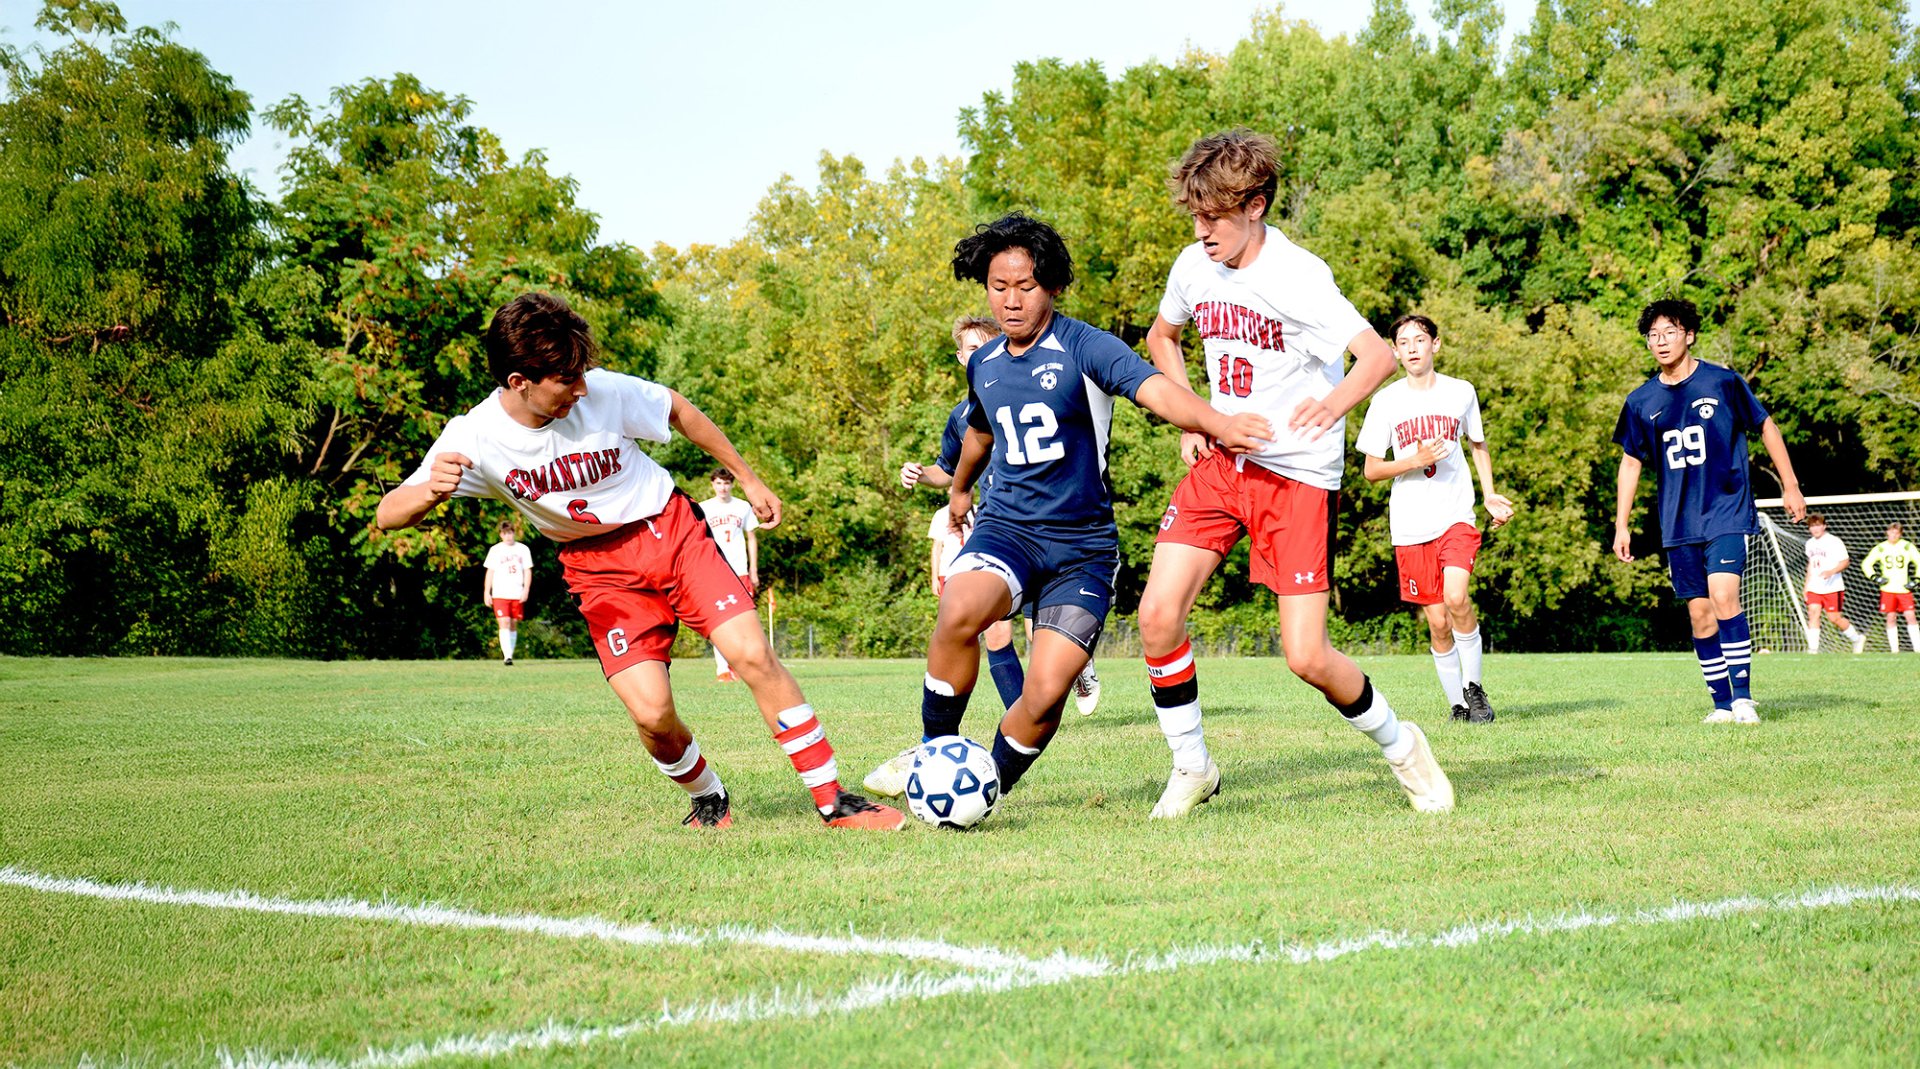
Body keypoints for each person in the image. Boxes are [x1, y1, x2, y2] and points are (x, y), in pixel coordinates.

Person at [377, 292, 903, 830]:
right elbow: (388, 513)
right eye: (566, 379)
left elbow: (677, 409)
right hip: (596, 569)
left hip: (670, 531)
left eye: (583, 372)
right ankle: (708, 794)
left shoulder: (601, 390)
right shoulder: (475, 437)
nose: (581, 387)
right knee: (652, 714)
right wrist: (426, 495)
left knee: (752, 655)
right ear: (519, 381)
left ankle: (833, 799)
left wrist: (747, 477)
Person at [871, 212, 1272, 805]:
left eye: (1025, 287)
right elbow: (980, 431)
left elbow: (1156, 388)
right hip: (1007, 529)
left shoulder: (1084, 345)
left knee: (1046, 692)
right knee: (959, 609)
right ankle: (932, 752)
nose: (1010, 301)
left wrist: (1217, 422)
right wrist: (959, 490)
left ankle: (981, 790)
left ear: (1052, 285)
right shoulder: (984, 362)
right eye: (998, 287)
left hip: (1082, 550)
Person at [1135, 129, 1454, 820]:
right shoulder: (1193, 266)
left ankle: (1404, 747)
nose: (1200, 230)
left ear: (1254, 205)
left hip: (1295, 476)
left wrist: (1332, 403)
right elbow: (1163, 337)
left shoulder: (1300, 276)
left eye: (1212, 215)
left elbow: (1373, 356)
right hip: (1225, 462)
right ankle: (1193, 766)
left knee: (1306, 656)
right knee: (1157, 616)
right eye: (1193, 215)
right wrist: (1195, 417)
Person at [1612, 297, 1806, 724]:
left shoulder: (1722, 382)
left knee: (1723, 596)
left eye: (1670, 332)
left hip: (1726, 509)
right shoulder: (1641, 401)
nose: (1661, 342)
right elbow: (1631, 462)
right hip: (1678, 521)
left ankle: (1743, 699)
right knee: (1700, 615)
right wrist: (1621, 524)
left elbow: (1766, 425)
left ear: (1689, 335)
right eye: (1653, 335)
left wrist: (1790, 485)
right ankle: (1720, 704)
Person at [1357, 314, 1516, 723]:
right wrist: (1414, 460)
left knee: (1457, 597)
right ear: (1394, 351)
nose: (1412, 347)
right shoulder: (1386, 402)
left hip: (1456, 514)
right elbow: (1372, 470)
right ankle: (1458, 706)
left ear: (1435, 345)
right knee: (1437, 621)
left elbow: (1478, 445)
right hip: (1410, 524)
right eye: (1403, 342)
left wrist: (1490, 493)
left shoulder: (1460, 392)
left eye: (1420, 340)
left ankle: (1475, 688)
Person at [895, 315, 1032, 714]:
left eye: (985, 345)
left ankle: (1076, 657)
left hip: (1040, 517)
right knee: (994, 630)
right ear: (961, 358)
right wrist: (921, 473)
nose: (979, 353)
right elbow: (950, 472)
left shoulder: (1030, 392)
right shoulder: (960, 416)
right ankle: (1020, 715)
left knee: (1044, 625)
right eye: (970, 348)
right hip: (994, 523)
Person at [697, 468, 759, 682]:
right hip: (716, 569)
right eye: (718, 483)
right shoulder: (704, 508)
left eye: (726, 483)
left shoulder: (743, 507)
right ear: (712, 484)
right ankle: (722, 668)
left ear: (732, 484)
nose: (722, 488)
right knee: (719, 619)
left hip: (740, 569)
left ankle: (741, 665)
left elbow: (751, 538)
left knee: (744, 620)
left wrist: (753, 570)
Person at [1801, 513, 1866, 653]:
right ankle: (1813, 649)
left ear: (1824, 526)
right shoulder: (1810, 543)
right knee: (1813, 613)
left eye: (1818, 525)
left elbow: (1845, 561)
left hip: (1832, 587)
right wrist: (1806, 586)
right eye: (1812, 526)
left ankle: (1857, 638)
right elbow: (1810, 565)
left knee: (1834, 618)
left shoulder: (1834, 541)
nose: (1815, 529)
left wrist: (1831, 571)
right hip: (1815, 586)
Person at [1861, 521, 1920, 652]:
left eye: (1896, 533)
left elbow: (1918, 561)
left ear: (1900, 534)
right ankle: (1895, 650)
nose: (1893, 535)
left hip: (1904, 589)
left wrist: (1916, 579)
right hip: (1887, 589)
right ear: (1887, 532)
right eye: (1891, 532)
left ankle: (1918, 649)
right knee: (1890, 617)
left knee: (1910, 615)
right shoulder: (1881, 548)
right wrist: (1875, 577)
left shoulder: (1907, 546)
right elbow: (1866, 564)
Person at [482, 520, 535, 665]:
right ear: (501, 535)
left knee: (513, 623)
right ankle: (507, 656)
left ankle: (510, 653)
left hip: (516, 591)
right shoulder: (495, 550)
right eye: (505, 533)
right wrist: (487, 592)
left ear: (514, 533)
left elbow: (527, 570)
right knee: (503, 621)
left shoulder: (523, 549)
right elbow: (490, 571)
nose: (508, 536)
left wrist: (526, 589)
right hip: (500, 592)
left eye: (510, 533)